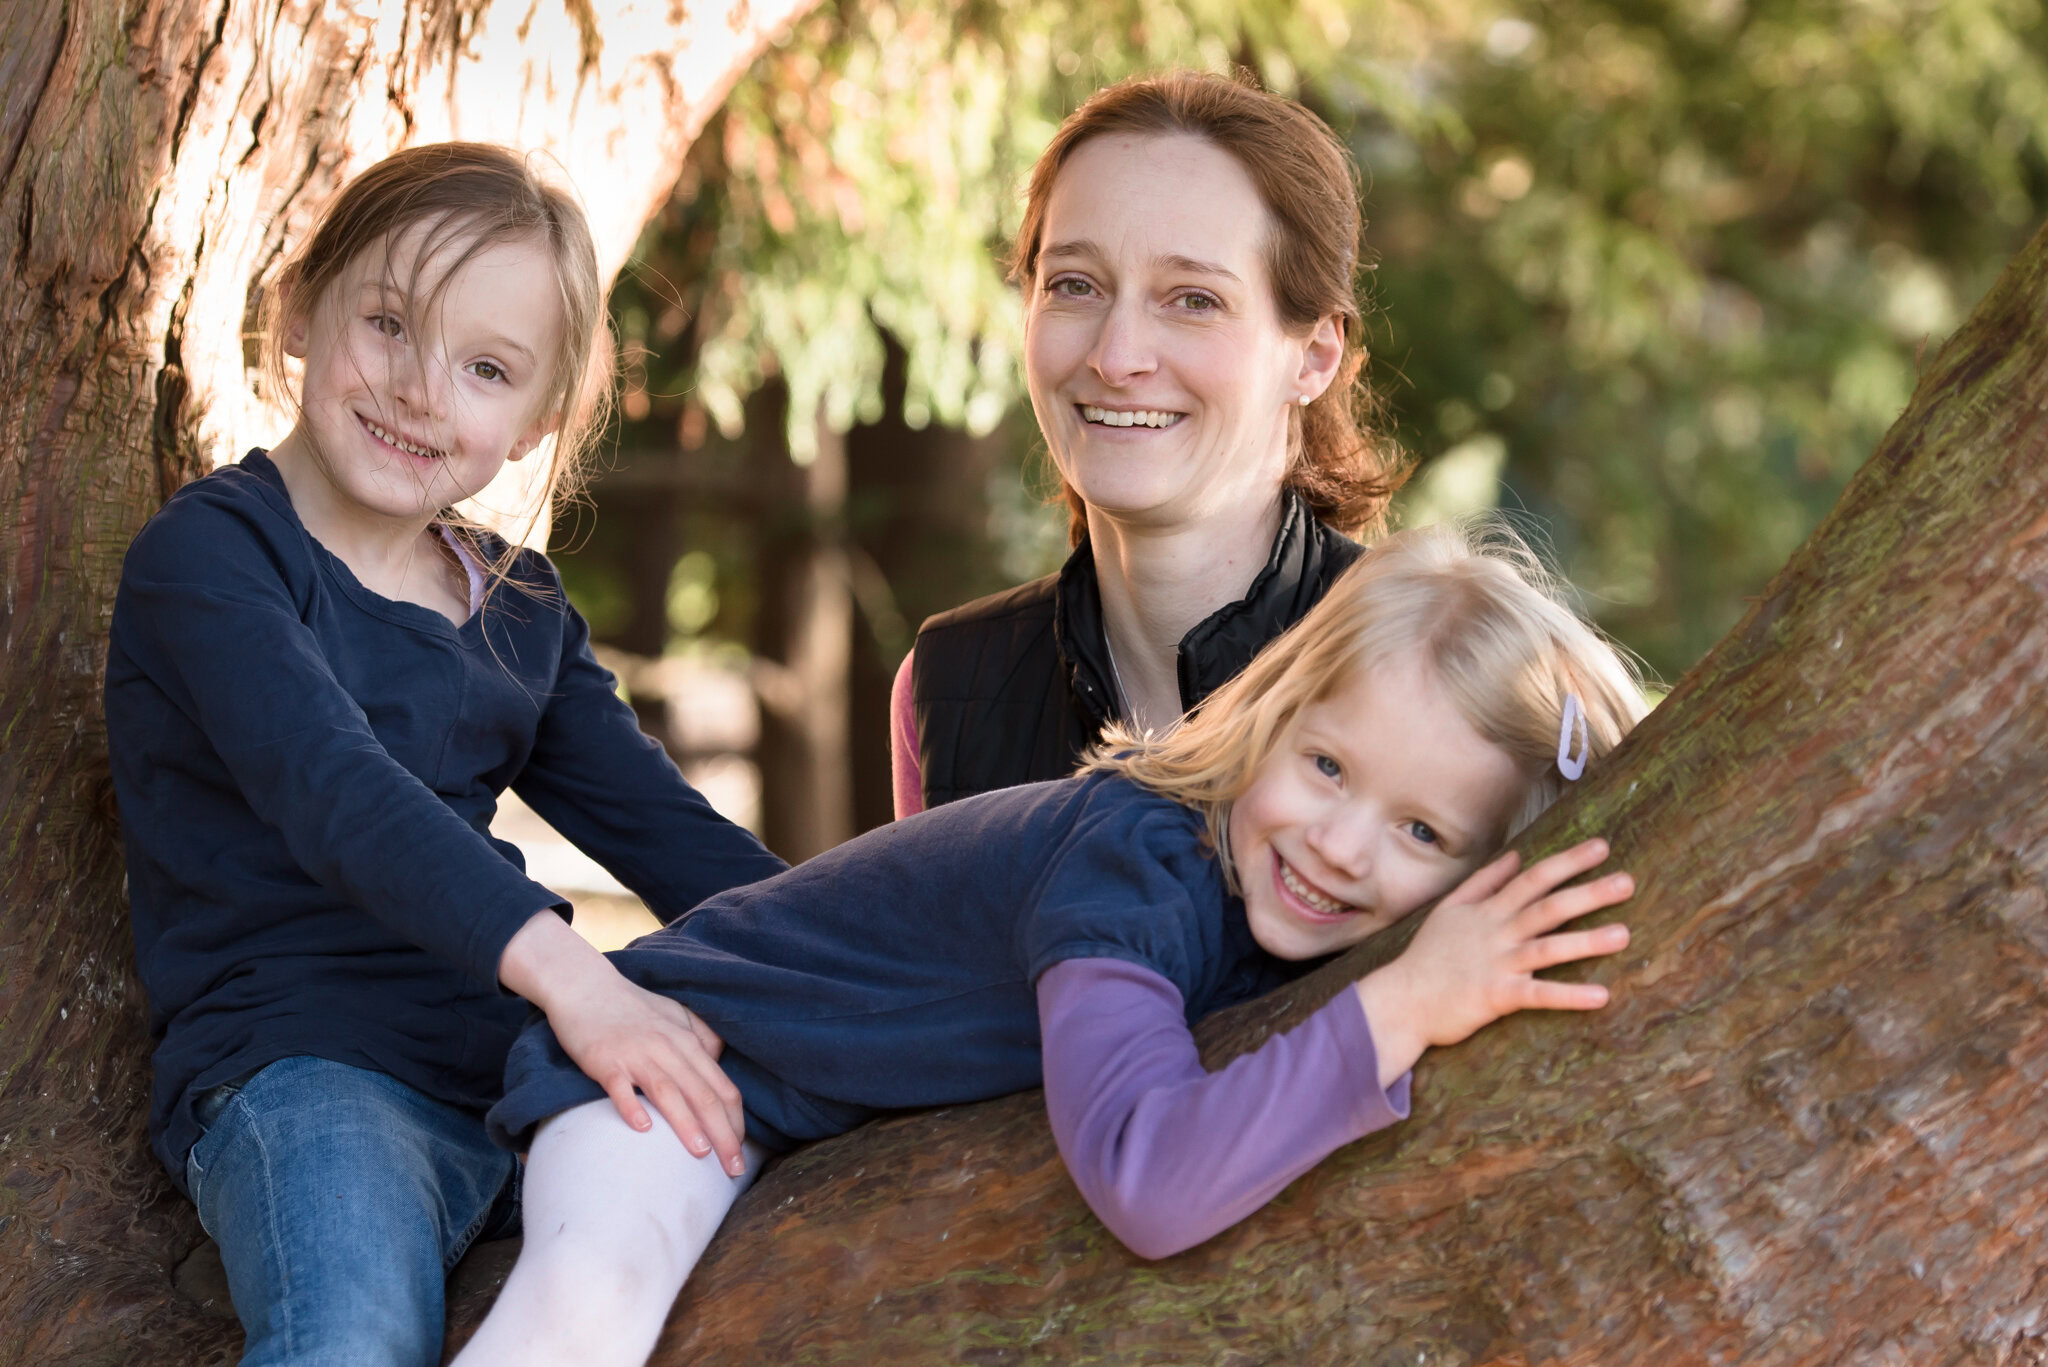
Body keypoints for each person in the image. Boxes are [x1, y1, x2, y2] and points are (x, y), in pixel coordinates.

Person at [455, 523, 1650, 1367]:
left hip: (805, 1123)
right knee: (586, 1310)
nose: (1339, 844)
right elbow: (1144, 1174)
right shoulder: (1137, 862)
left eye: (1420, 827)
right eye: (1326, 766)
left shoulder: (1281, 910)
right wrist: (1408, 1003)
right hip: (682, 1064)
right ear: (1271, 716)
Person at [103, 143, 787, 1367]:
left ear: (538, 421)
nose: (421, 388)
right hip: (306, 1075)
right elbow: (339, 794)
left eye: (484, 368)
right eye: (387, 323)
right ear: (297, 308)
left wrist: (856, 959)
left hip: (507, 1068)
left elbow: (671, 834)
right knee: (351, 1336)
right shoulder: (213, 559)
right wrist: (583, 981)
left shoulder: (516, 607)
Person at [893, 70, 1406, 816]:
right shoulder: (946, 684)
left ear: (1314, 356)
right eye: (1074, 285)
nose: (1116, 355)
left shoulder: (1444, 679)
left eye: (1194, 300)